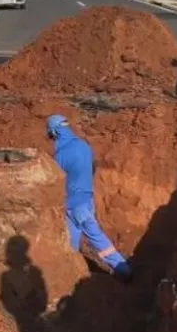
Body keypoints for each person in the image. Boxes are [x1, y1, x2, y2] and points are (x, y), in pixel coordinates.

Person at [46, 115, 132, 282]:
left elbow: (54, 182)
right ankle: (71, 274)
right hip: (86, 200)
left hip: (74, 205)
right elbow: (91, 168)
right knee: (72, 242)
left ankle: (123, 269)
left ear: (55, 132)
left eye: (51, 134)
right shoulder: (84, 145)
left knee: (94, 236)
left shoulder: (61, 154)